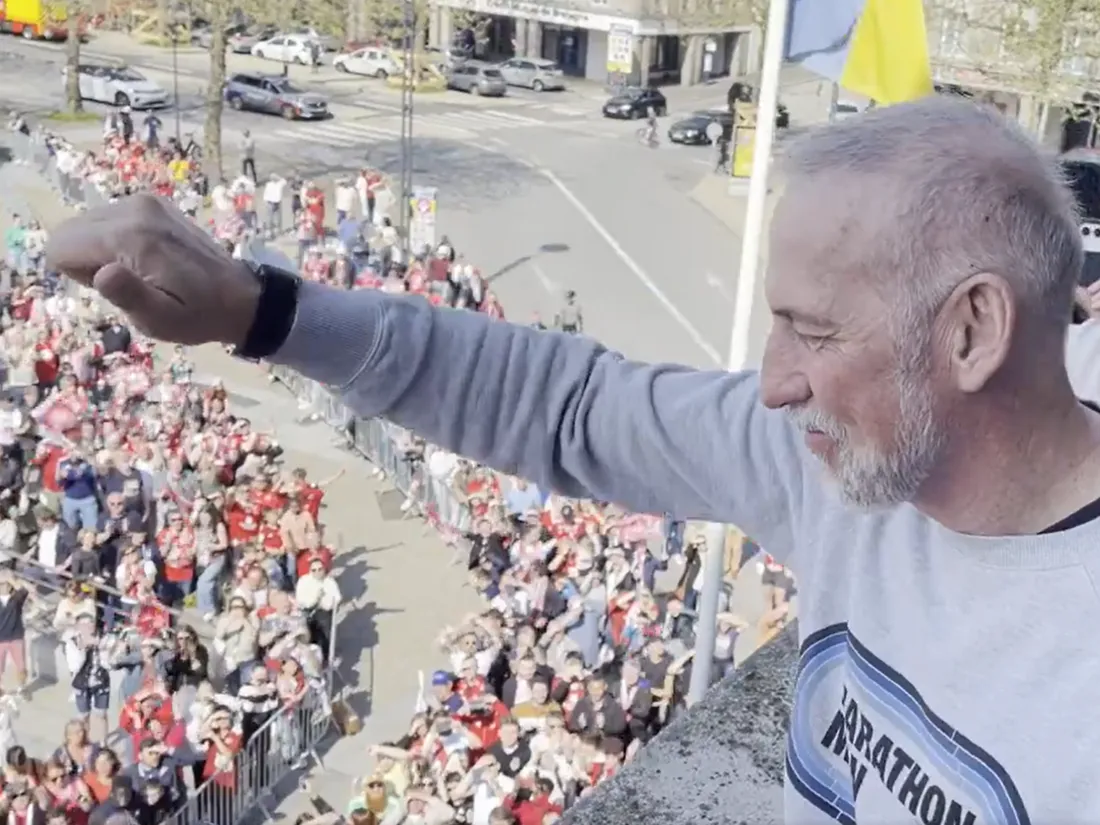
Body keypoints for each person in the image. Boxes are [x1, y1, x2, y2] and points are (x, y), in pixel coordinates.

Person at [44, 96, 1100, 820]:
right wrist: (258, 309)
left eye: (814, 333)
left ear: (969, 332)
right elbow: (568, 404)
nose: (773, 382)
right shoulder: (824, 460)